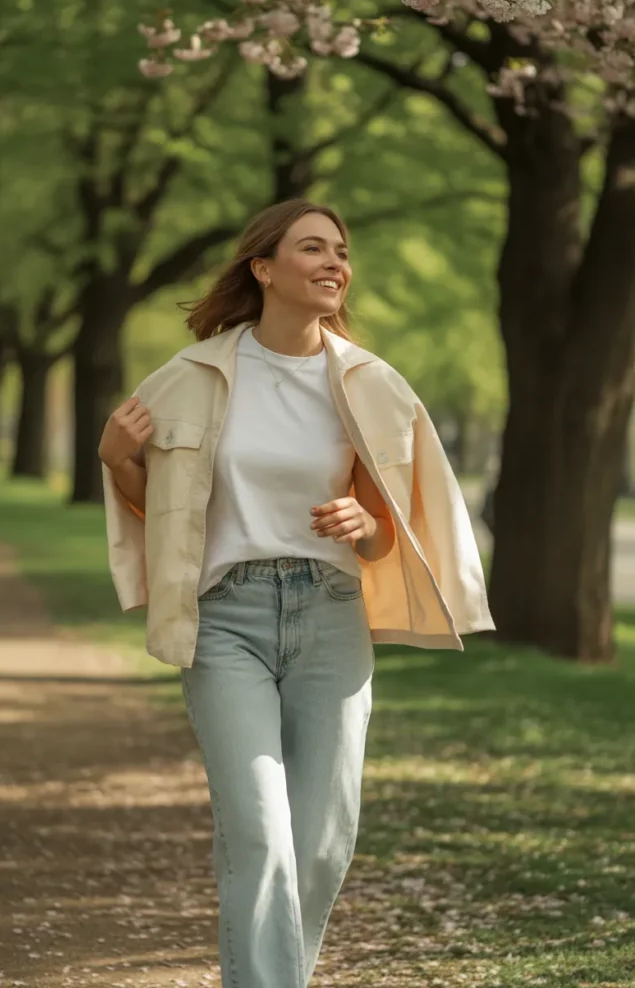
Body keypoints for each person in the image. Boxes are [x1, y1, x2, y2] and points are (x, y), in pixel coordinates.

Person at [99, 198, 494, 988]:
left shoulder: (371, 385)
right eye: (312, 248)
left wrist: (364, 524)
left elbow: (385, 535)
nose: (334, 264)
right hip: (227, 619)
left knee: (318, 845)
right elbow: (166, 508)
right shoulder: (190, 376)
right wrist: (118, 460)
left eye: (340, 252)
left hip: (329, 617)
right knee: (259, 835)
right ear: (263, 267)